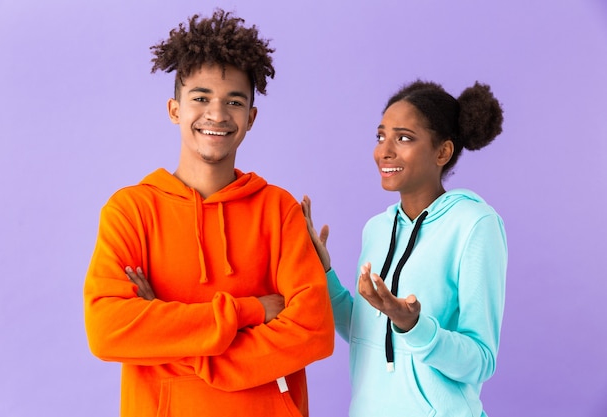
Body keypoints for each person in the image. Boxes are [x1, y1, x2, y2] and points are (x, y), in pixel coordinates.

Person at [83, 9, 334, 417]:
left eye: (233, 102)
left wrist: (168, 339)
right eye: (200, 98)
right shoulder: (130, 211)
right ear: (175, 109)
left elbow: (314, 332)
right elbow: (108, 330)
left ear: (251, 118)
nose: (216, 114)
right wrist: (248, 312)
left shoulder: (279, 210)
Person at [302, 80, 507, 416]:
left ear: (442, 152)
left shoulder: (474, 224)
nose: (384, 151)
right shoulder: (377, 229)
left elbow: (480, 361)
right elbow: (366, 334)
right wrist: (323, 274)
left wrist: (413, 325)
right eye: (381, 136)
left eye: (404, 138)